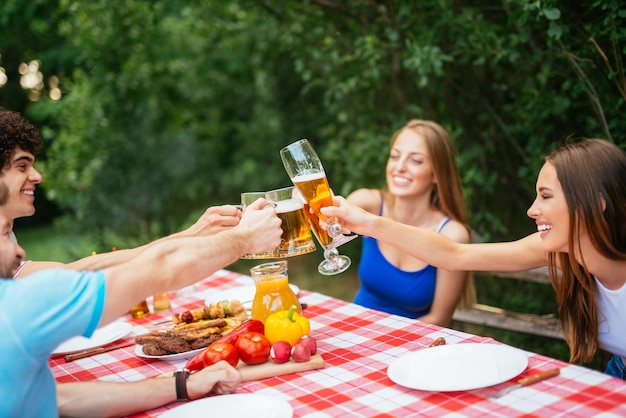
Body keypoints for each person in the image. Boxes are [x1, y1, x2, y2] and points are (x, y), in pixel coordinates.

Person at [321, 138, 626, 379]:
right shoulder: (562, 254)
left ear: (595, 204)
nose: (532, 210)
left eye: (546, 197)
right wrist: (366, 223)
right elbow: (455, 255)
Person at [0, 181, 283, 416]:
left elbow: (57, 399)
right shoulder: (14, 309)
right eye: (4, 234)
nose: (21, 252)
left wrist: (182, 385)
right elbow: (160, 269)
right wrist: (245, 238)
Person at [0, 107, 243, 277]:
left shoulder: (7, 236)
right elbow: (71, 277)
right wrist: (192, 235)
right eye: (23, 166)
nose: (37, 176)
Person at [346, 119, 474, 326]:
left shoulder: (451, 235)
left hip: (412, 347)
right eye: (395, 156)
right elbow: (327, 230)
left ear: (436, 174)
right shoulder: (367, 204)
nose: (399, 167)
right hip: (357, 331)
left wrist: (382, 341)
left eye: (415, 160)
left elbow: (439, 319)